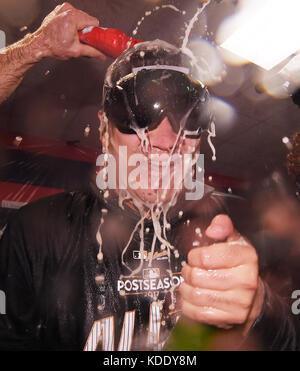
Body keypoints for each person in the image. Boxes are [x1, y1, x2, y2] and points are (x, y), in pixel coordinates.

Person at [0, 3, 298, 351]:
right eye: (137, 115)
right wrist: (33, 47)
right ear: (104, 131)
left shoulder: (241, 226)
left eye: (187, 119)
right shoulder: (37, 231)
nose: (165, 142)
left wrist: (258, 310)